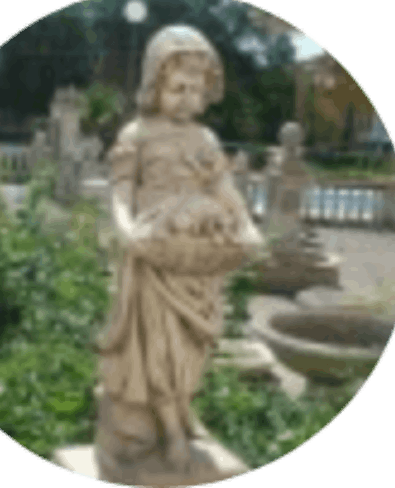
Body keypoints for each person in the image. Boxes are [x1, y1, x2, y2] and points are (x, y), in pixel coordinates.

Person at [94, 25, 266, 484]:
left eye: (197, 90)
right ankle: (171, 433)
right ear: (154, 85)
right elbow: (120, 195)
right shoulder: (136, 134)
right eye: (177, 89)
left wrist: (248, 226)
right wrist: (127, 231)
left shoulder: (205, 139)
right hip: (153, 257)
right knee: (160, 349)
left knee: (191, 350)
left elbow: (225, 191)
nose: (188, 99)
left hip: (197, 260)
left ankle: (182, 414)